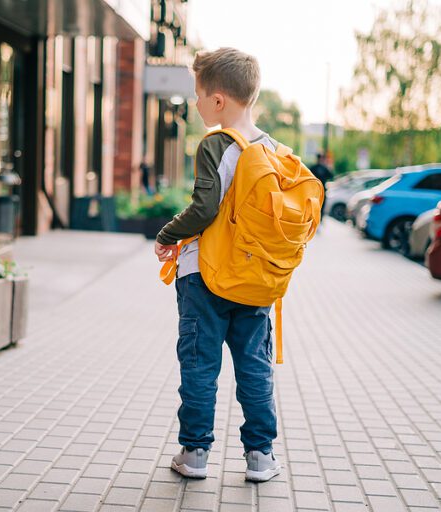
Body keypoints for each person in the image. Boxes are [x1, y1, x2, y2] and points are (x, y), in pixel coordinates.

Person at [153, 48, 281, 483]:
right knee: (254, 366)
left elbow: (204, 207)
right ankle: (261, 456)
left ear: (219, 100)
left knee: (200, 365)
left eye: (198, 95)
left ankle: (194, 454)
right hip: (255, 280)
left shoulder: (215, 143)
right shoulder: (275, 150)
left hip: (205, 277)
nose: (195, 103)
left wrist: (167, 234)